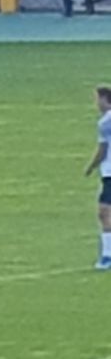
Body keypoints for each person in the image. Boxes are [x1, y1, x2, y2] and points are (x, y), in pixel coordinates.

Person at [85, 87, 111, 270]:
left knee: (104, 212)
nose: (96, 103)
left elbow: (102, 150)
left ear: (105, 100)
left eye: (97, 99)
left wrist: (90, 167)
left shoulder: (106, 122)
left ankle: (107, 256)